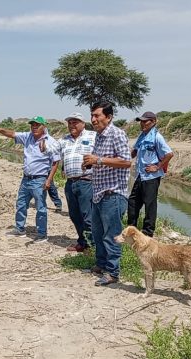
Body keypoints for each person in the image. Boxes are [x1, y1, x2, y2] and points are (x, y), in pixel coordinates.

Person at [82, 101, 131, 286]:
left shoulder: (117, 133)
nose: (93, 119)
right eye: (92, 115)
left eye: (97, 116)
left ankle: (113, 272)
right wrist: (90, 164)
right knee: (98, 233)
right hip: (98, 193)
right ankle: (101, 265)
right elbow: (100, 162)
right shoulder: (99, 136)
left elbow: (126, 162)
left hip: (113, 194)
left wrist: (99, 160)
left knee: (112, 235)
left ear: (109, 117)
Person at [0, 116, 60, 243]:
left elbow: (56, 162)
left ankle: (42, 234)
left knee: (41, 208)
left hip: (39, 179)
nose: (34, 127)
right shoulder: (27, 136)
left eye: (37, 125)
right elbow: (12, 134)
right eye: (32, 125)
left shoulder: (50, 141)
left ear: (44, 126)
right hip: (26, 179)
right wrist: (1, 130)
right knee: (21, 204)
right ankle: (20, 229)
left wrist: (49, 180)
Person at [41, 112, 96, 252]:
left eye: (75, 122)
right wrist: (43, 145)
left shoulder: (92, 136)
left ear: (83, 124)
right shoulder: (64, 140)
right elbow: (50, 150)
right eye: (70, 122)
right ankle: (82, 242)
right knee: (74, 215)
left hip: (87, 182)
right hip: (71, 183)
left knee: (87, 216)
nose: (72, 125)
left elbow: (101, 153)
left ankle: (93, 246)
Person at [127, 111, 174, 237]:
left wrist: (157, 166)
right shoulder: (142, 135)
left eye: (145, 121)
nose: (142, 124)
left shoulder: (157, 137)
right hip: (140, 175)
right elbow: (135, 151)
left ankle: (148, 232)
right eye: (141, 121)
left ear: (153, 122)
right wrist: (125, 159)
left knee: (150, 204)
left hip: (151, 177)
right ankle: (131, 228)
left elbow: (169, 154)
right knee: (132, 202)